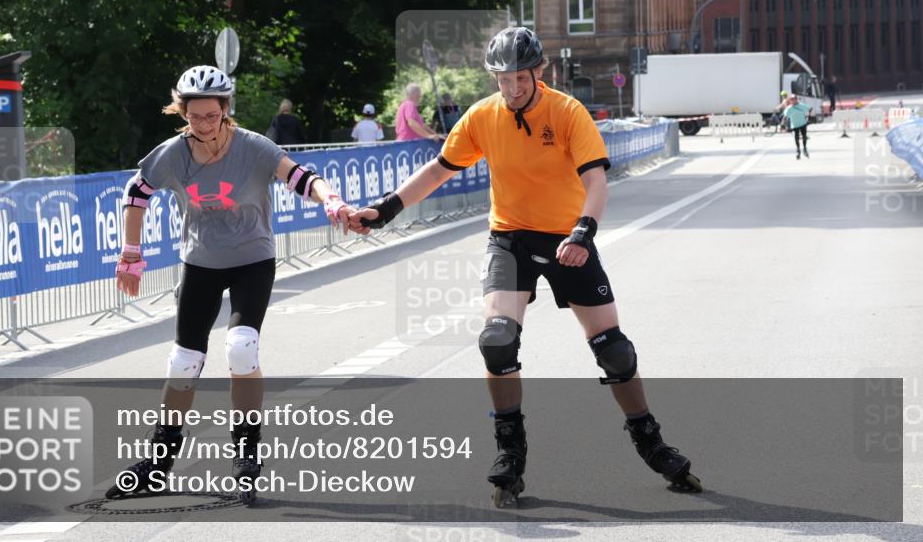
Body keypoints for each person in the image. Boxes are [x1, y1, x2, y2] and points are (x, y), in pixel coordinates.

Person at [349, 27, 701, 507]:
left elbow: (596, 181)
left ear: (540, 72)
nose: (512, 88)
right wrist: (386, 209)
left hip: (568, 240)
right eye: (502, 79)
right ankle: (510, 453)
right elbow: (438, 169)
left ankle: (650, 440)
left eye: (520, 77)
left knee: (615, 351)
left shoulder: (567, 111)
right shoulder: (483, 116)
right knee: (497, 341)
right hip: (510, 239)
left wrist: (583, 231)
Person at [109, 65, 355, 504]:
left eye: (210, 115)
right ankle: (158, 461)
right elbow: (136, 192)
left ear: (226, 110)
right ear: (183, 112)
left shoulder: (253, 148)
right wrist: (131, 252)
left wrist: (330, 200)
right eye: (193, 116)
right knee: (183, 362)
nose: (202, 124)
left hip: (251, 260)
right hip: (201, 262)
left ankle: (245, 453)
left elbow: (302, 177)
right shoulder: (174, 153)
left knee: (241, 347)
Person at [783, 94, 813, 159]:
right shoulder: (789, 108)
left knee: (804, 136)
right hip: (795, 124)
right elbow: (785, 116)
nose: (793, 100)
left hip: (803, 123)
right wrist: (783, 123)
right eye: (792, 100)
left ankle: (805, 148)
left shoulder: (801, 105)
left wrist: (808, 116)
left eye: (794, 99)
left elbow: (810, 108)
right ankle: (798, 150)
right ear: (790, 101)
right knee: (796, 138)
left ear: (796, 99)